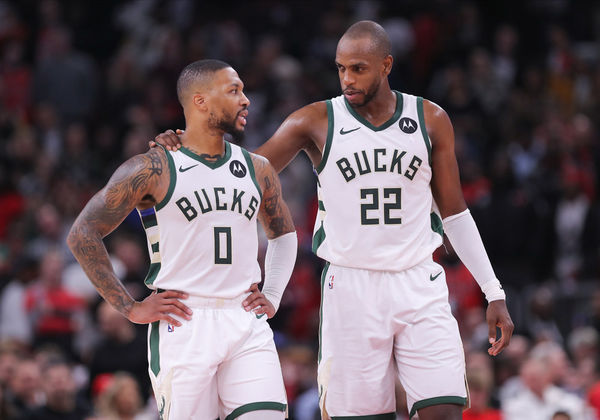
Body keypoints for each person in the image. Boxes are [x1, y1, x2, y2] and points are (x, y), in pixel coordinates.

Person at [154, 21, 514, 420]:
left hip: (419, 280)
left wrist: (492, 290)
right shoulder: (315, 121)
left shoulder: (429, 118)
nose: (347, 78)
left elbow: (455, 212)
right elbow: (241, 175)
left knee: (444, 410)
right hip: (352, 284)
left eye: (358, 68)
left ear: (386, 65)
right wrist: (185, 147)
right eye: (341, 68)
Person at [68, 59, 298, 419]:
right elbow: (82, 234)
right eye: (234, 90)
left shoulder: (257, 168)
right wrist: (130, 307)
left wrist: (272, 294)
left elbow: (283, 233)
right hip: (185, 321)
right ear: (200, 101)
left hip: (245, 319)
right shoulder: (152, 168)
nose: (246, 100)